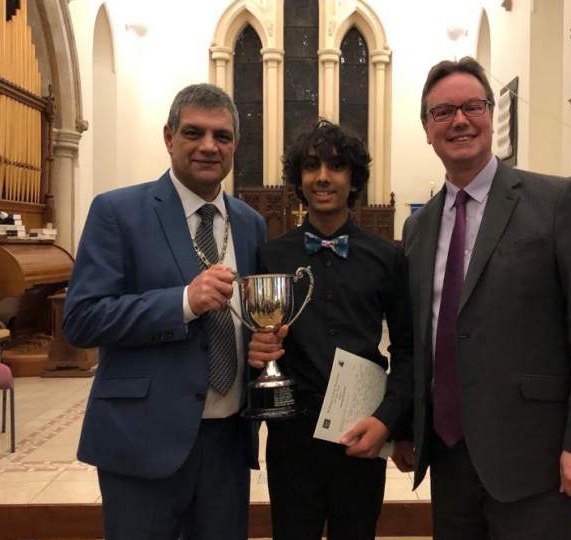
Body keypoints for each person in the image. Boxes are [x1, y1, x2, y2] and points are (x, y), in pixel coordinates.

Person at [391, 57, 571, 539]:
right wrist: (408, 427)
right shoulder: (417, 227)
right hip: (449, 454)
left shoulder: (555, 202)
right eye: (443, 112)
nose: (459, 120)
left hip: (533, 455)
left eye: (472, 106)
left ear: (492, 115)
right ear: (427, 129)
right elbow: (421, 336)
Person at [63, 83, 266, 540]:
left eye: (223, 136)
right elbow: (81, 319)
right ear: (168, 137)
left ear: (235, 145)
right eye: (194, 133)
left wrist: (264, 343)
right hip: (143, 437)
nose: (209, 146)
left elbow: (248, 320)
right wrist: (182, 303)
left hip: (227, 443)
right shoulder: (118, 211)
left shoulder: (251, 224)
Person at [248, 118, 413, 540]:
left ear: (353, 178)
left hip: (361, 430)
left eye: (336, 166)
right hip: (291, 436)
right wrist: (257, 354)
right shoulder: (270, 256)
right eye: (310, 166)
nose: (322, 177)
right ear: (298, 179)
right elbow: (253, 347)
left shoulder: (386, 257)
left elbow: (409, 350)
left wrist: (389, 422)